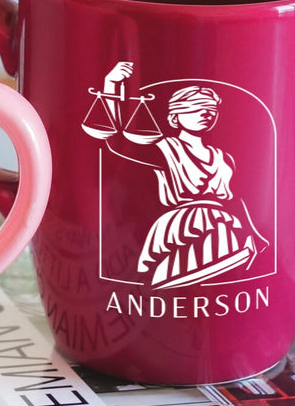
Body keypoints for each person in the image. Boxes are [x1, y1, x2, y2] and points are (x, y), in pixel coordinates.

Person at [93, 62, 268, 288]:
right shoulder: (165, 149)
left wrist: (251, 233)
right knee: (179, 279)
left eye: (210, 109)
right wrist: (111, 86)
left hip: (222, 228)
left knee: (221, 281)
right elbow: (117, 142)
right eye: (195, 108)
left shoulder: (224, 159)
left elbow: (234, 200)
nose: (205, 113)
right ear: (175, 117)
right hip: (186, 227)